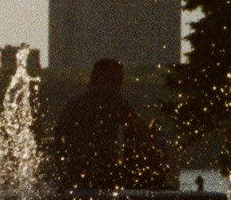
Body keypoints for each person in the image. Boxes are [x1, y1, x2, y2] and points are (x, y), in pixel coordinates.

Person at [49, 59, 174, 192]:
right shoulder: (111, 98)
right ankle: (155, 184)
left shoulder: (73, 102)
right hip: (100, 176)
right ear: (95, 77)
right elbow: (142, 131)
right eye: (112, 79)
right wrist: (159, 163)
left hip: (69, 176)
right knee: (136, 136)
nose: (116, 85)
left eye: (119, 80)